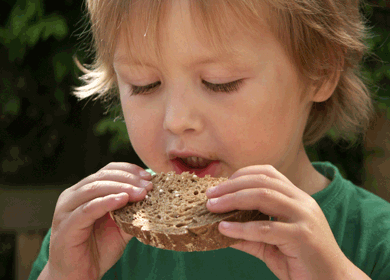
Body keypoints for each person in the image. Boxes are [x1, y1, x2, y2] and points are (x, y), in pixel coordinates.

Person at [29, 0, 390, 279]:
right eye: (143, 84)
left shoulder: (375, 241)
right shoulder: (93, 239)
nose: (177, 121)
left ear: (320, 72)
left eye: (220, 82)